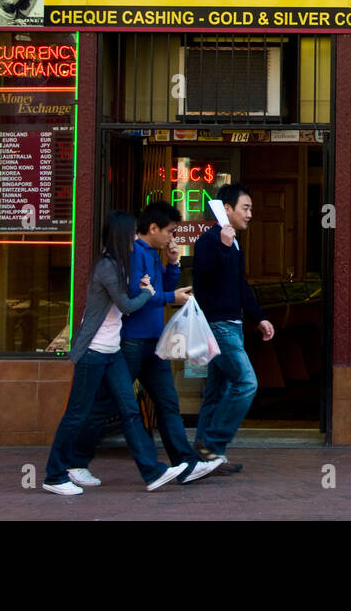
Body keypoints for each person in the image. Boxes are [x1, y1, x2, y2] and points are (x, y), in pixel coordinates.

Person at [71, 201, 221, 486]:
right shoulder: (133, 254)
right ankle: (76, 462)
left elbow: (161, 287)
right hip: (131, 342)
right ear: (152, 228)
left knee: (168, 403)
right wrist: (170, 298)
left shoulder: (153, 253)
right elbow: (134, 300)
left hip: (153, 341)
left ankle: (186, 464)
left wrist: (174, 263)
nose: (171, 237)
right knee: (105, 404)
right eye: (169, 231)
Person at [42, 211, 188, 495]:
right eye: (133, 233)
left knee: (130, 411)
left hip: (113, 353)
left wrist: (164, 272)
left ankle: (153, 471)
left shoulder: (121, 264)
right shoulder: (107, 266)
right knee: (77, 414)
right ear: (122, 236)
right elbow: (127, 305)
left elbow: (147, 292)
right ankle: (55, 475)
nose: (137, 238)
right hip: (94, 352)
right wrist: (147, 292)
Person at [193, 184, 275, 472]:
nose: (250, 214)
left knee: (218, 390)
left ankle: (205, 455)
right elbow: (205, 283)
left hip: (233, 325)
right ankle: (212, 444)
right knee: (246, 382)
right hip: (219, 326)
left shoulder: (234, 242)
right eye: (246, 208)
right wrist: (225, 248)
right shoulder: (209, 242)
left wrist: (259, 317)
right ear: (226, 209)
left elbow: (239, 285)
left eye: (250, 208)